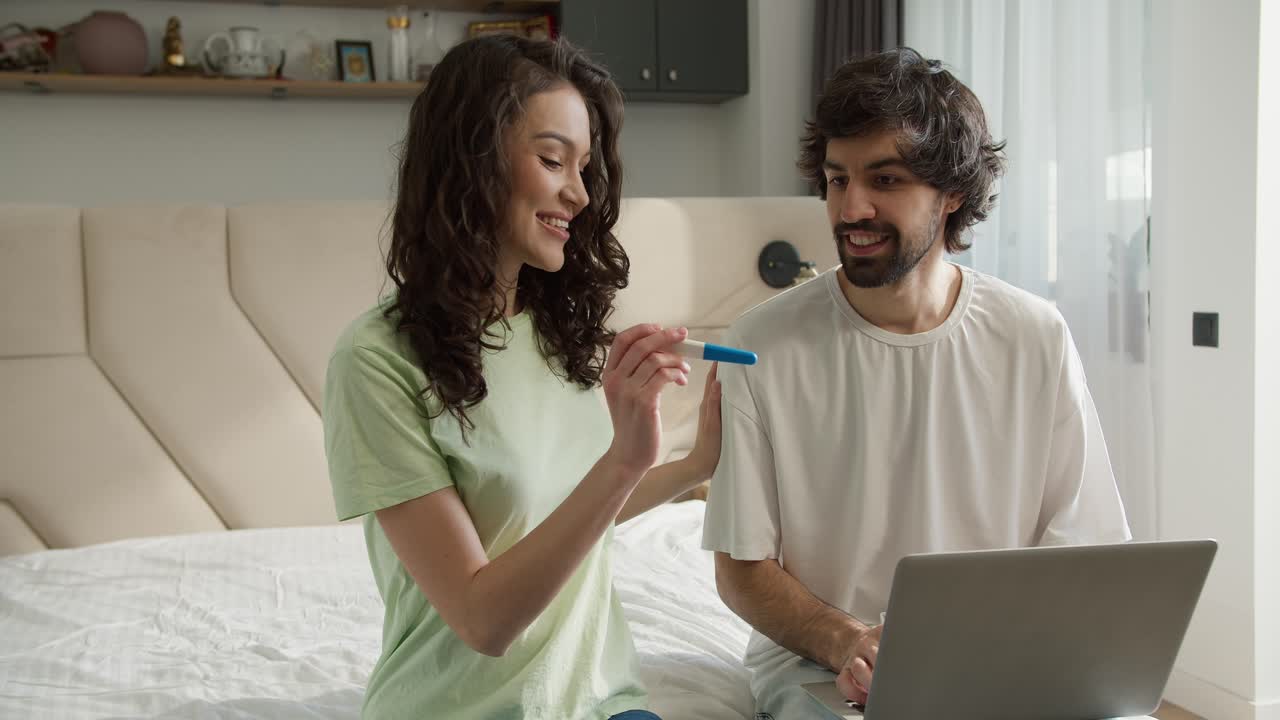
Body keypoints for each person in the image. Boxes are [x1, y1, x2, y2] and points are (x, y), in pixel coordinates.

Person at [702, 47, 1132, 719]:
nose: (852, 208)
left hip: (1000, 659)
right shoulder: (760, 345)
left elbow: (1085, 546)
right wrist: (848, 642)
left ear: (952, 192)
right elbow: (743, 570)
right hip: (820, 666)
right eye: (838, 179)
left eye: (886, 179)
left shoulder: (1034, 335)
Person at [323, 35, 721, 720]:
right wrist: (623, 462)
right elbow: (483, 620)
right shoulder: (377, 360)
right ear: (472, 161)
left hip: (603, 702)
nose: (579, 191)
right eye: (552, 159)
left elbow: (566, 512)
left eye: (585, 166)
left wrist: (699, 462)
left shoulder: (558, 332)